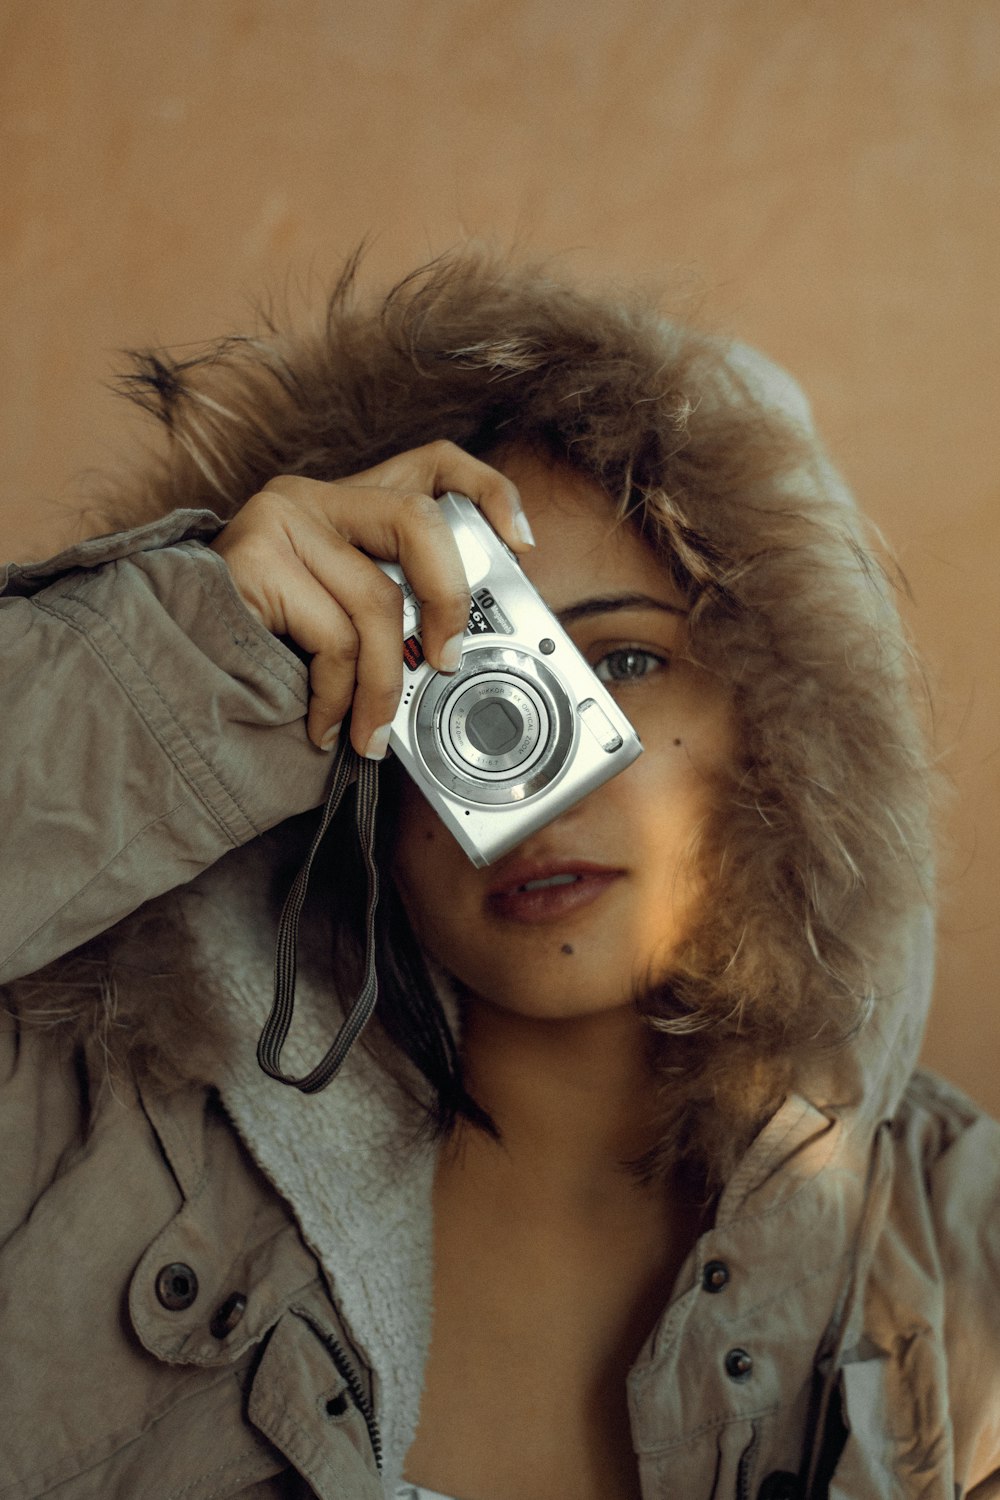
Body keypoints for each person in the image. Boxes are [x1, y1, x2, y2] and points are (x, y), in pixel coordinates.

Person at [1, 251, 997, 1500]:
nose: (525, 753)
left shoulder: (957, 1241)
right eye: (445, 685)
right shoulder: (89, 1132)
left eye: (622, 665)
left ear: (780, 722)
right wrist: (198, 661)